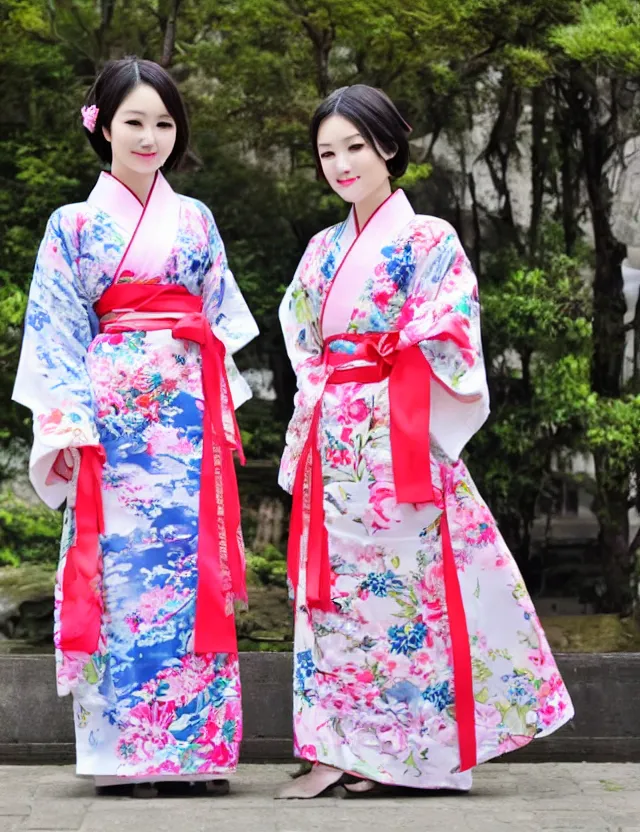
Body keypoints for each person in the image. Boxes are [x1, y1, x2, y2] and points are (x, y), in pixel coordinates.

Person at [277, 84, 573, 798]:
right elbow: (302, 337)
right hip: (335, 435)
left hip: (401, 434)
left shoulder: (429, 237)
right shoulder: (322, 248)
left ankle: (414, 759)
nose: (342, 163)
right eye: (327, 152)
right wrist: (327, 400)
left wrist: (386, 381)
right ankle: (342, 749)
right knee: (335, 596)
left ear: (388, 146)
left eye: (355, 146)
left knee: (409, 596)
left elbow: (450, 332)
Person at [12, 56, 258, 797]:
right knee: (120, 576)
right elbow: (55, 331)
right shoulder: (73, 225)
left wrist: (212, 403)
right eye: (134, 122)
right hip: (113, 424)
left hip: (187, 417)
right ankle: (126, 756)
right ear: (104, 127)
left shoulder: (196, 219)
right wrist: (70, 428)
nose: (150, 136)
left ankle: (199, 752)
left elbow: (220, 316)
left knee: (194, 573)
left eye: (163, 123)